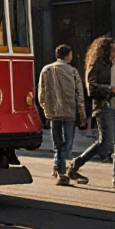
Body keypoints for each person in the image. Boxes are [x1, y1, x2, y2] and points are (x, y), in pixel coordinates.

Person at [68, 35, 115, 189]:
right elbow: (91, 88)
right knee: (105, 143)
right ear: (104, 51)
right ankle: (77, 162)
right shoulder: (96, 65)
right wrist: (111, 89)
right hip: (106, 108)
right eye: (112, 49)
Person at [37, 44, 86, 186]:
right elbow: (79, 94)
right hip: (69, 111)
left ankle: (59, 168)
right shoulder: (73, 71)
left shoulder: (47, 69)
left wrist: (46, 108)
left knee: (57, 143)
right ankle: (63, 170)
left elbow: (41, 92)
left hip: (53, 113)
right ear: (67, 55)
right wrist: (82, 113)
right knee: (67, 143)